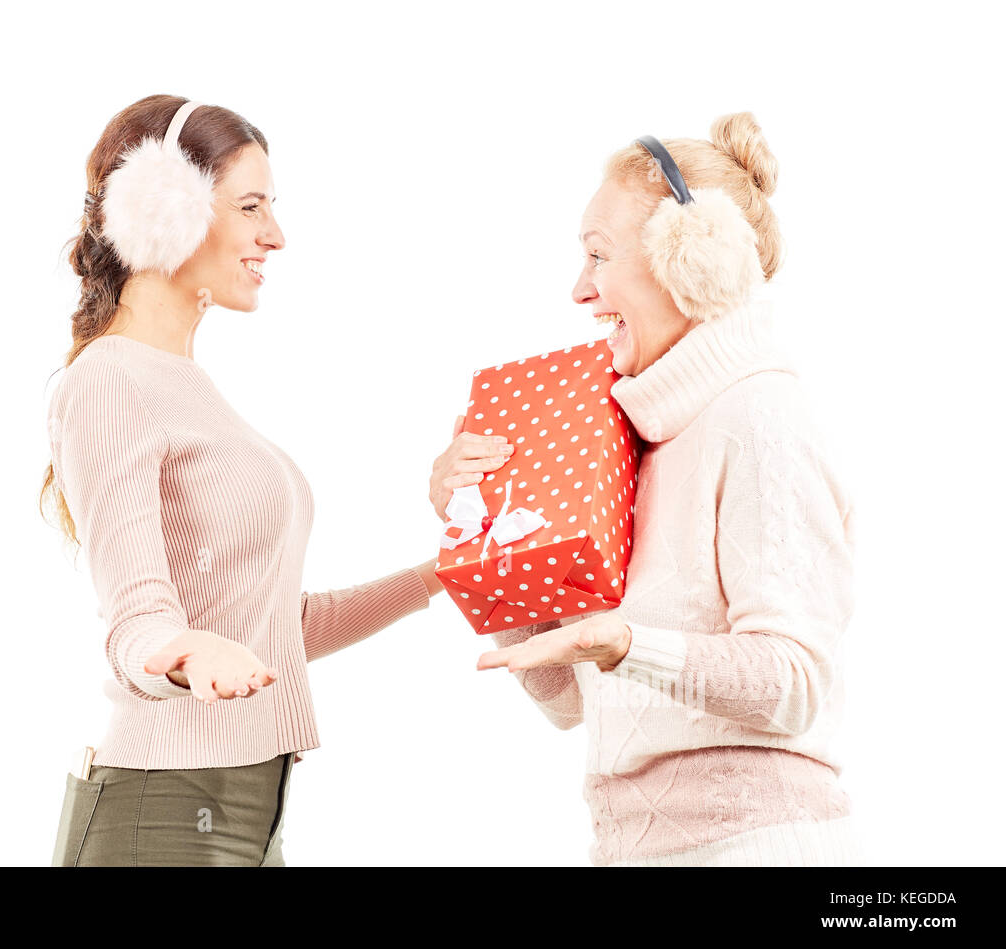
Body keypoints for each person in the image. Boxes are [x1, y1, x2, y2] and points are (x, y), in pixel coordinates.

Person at [431, 112, 865, 866]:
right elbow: (569, 701)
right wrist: (488, 543)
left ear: (691, 260)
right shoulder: (641, 437)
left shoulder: (760, 417)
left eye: (598, 256)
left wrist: (628, 644)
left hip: (753, 848)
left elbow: (795, 682)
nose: (578, 289)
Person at [42, 95, 444, 866]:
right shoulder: (109, 383)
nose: (276, 236)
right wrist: (183, 653)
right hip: (162, 813)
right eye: (251, 206)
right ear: (163, 210)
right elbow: (137, 627)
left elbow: (269, 632)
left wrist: (438, 578)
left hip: (243, 811)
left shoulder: (185, 384)